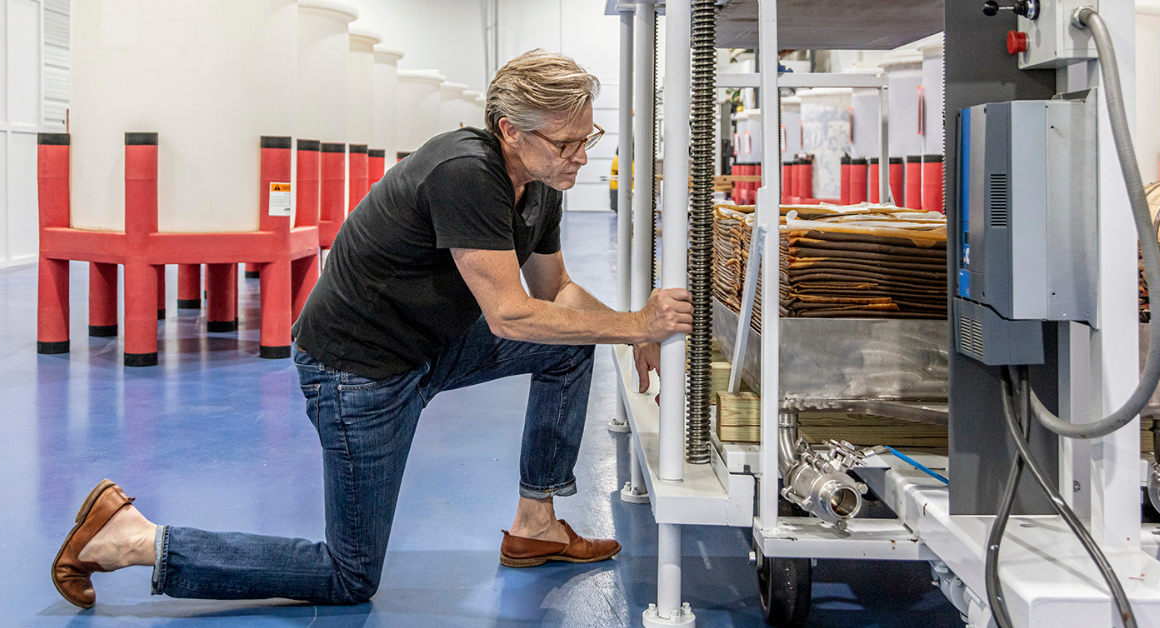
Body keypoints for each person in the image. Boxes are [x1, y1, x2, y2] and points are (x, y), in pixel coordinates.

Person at [51, 49, 692, 609]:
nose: (582, 155)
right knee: (349, 574)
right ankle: (134, 540)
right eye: (566, 143)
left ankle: (537, 521)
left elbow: (556, 292)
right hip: (358, 372)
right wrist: (634, 322)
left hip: (427, 348)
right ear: (510, 131)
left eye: (588, 137)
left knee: (570, 347)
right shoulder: (466, 172)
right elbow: (510, 313)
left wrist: (621, 328)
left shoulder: (541, 182)